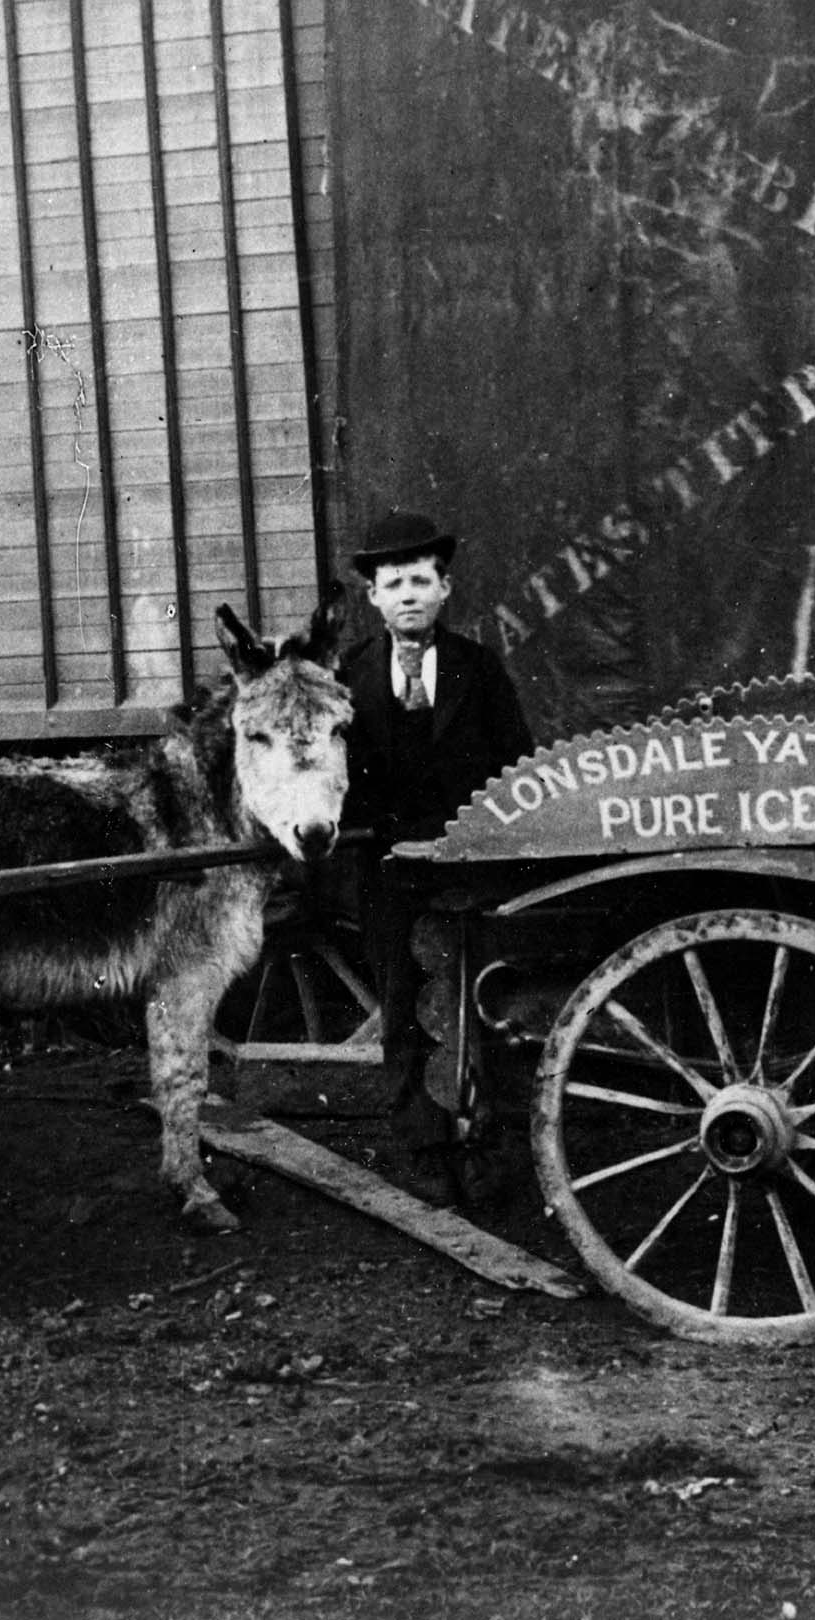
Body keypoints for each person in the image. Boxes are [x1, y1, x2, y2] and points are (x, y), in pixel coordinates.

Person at [332, 509, 533, 1190]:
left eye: (422, 580)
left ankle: (493, 1146)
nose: (409, 594)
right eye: (394, 584)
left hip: (468, 869)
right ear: (374, 598)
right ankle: (425, 1152)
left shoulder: (479, 670)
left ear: (445, 589)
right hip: (388, 871)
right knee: (402, 1003)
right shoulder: (349, 678)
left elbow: (518, 769)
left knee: (486, 1000)